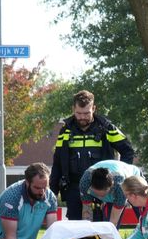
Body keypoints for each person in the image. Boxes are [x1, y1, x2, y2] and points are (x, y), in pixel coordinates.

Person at [50, 90, 135, 220]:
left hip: (103, 186)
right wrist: (53, 192)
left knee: (105, 230)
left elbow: (127, 151)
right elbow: (57, 163)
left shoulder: (106, 128)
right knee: (78, 231)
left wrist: (122, 181)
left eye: (86, 113)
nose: (82, 117)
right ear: (73, 109)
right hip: (74, 188)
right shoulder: (65, 131)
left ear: (94, 108)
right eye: (78, 113)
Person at [79, 159, 143, 225]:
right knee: (106, 222)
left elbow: (114, 220)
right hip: (112, 185)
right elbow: (86, 211)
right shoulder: (84, 184)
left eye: (103, 194)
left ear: (111, 186)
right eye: (97, 194)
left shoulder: (120, 187)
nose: (100, 197)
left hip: (134, 178)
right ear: (91, 186)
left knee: (143, 216)